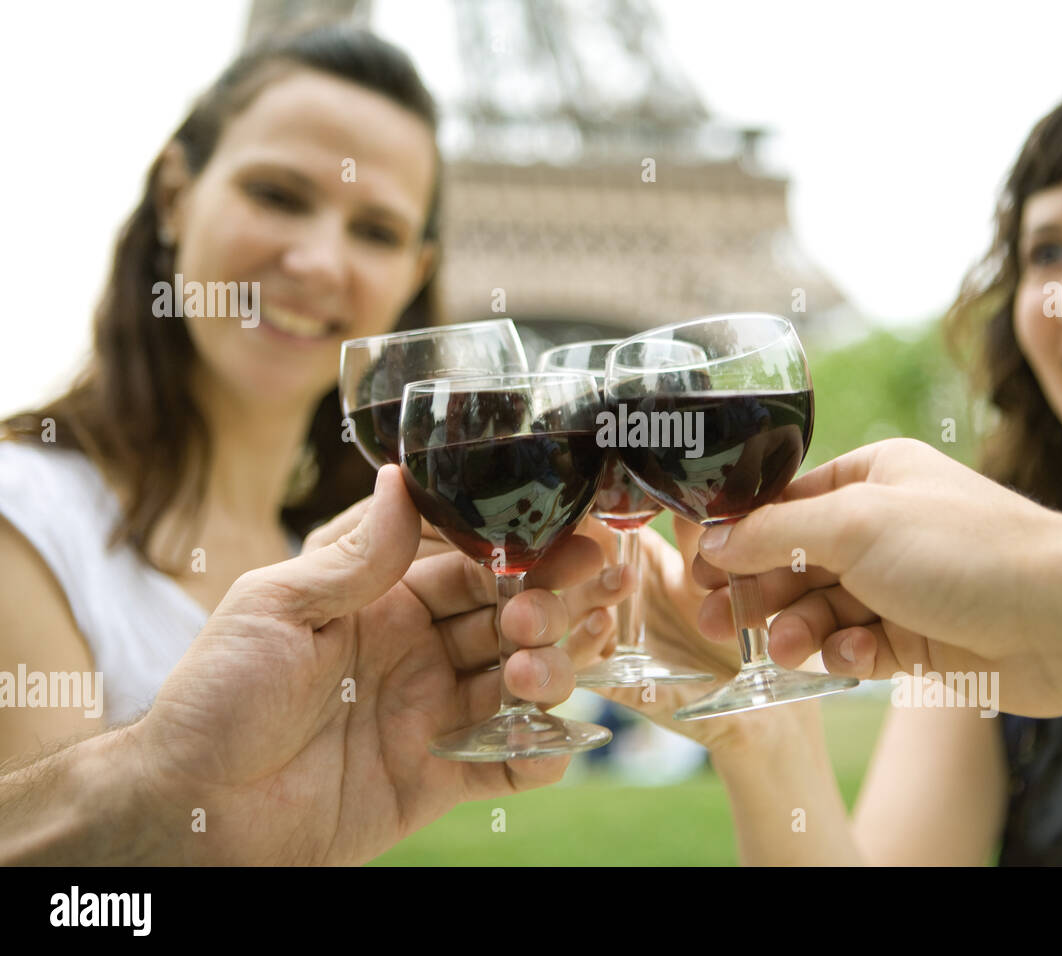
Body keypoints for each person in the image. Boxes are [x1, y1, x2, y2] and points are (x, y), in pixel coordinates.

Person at [576, 64, 1062, 865]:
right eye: (1048, 251)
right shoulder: (964, 617)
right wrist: (763, 733)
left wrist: (1033, 578)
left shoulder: (992, 586)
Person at [0, 24, 631, 768]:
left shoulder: (340, 568)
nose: (318, 261)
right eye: (276, 194)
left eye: (375, 230)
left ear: (413, 272)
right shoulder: (24, 516)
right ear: (174, 196)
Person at [0, 466, 604, 865]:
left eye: (381, 257)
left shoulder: (306, 520)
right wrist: (168, 786)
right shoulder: (30, 503)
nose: (316, 262)